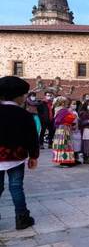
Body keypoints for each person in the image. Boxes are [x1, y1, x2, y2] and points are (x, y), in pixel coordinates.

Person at [0, 76, 38, 230]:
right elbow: (32, 137)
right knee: (16, 187)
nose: (24, 98)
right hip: (16, 157)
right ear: (18, 96)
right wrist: (33, 155)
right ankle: (22, 218)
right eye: (24, 95)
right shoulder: (24, 115)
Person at [52, 96, 76, 167]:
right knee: (64, 144)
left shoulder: (58, 110)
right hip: (64, 129)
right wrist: (71, 118)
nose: (67, 104)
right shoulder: (63, 110)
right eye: (66, 102)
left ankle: (63, 160)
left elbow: (57, 121)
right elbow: (59, 120)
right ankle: (64, 161)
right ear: (62, 103)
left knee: (62, 144)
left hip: (61, 129)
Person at [70, 100, 82, 165]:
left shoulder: (75, 112)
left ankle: (76, 158)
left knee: (77, 145)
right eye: (73, 104)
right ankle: (72, 159)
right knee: (73, 145)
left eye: (75, 104)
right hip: (72, 130)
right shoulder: (69, 111)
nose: (74, 105)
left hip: (77, 130)